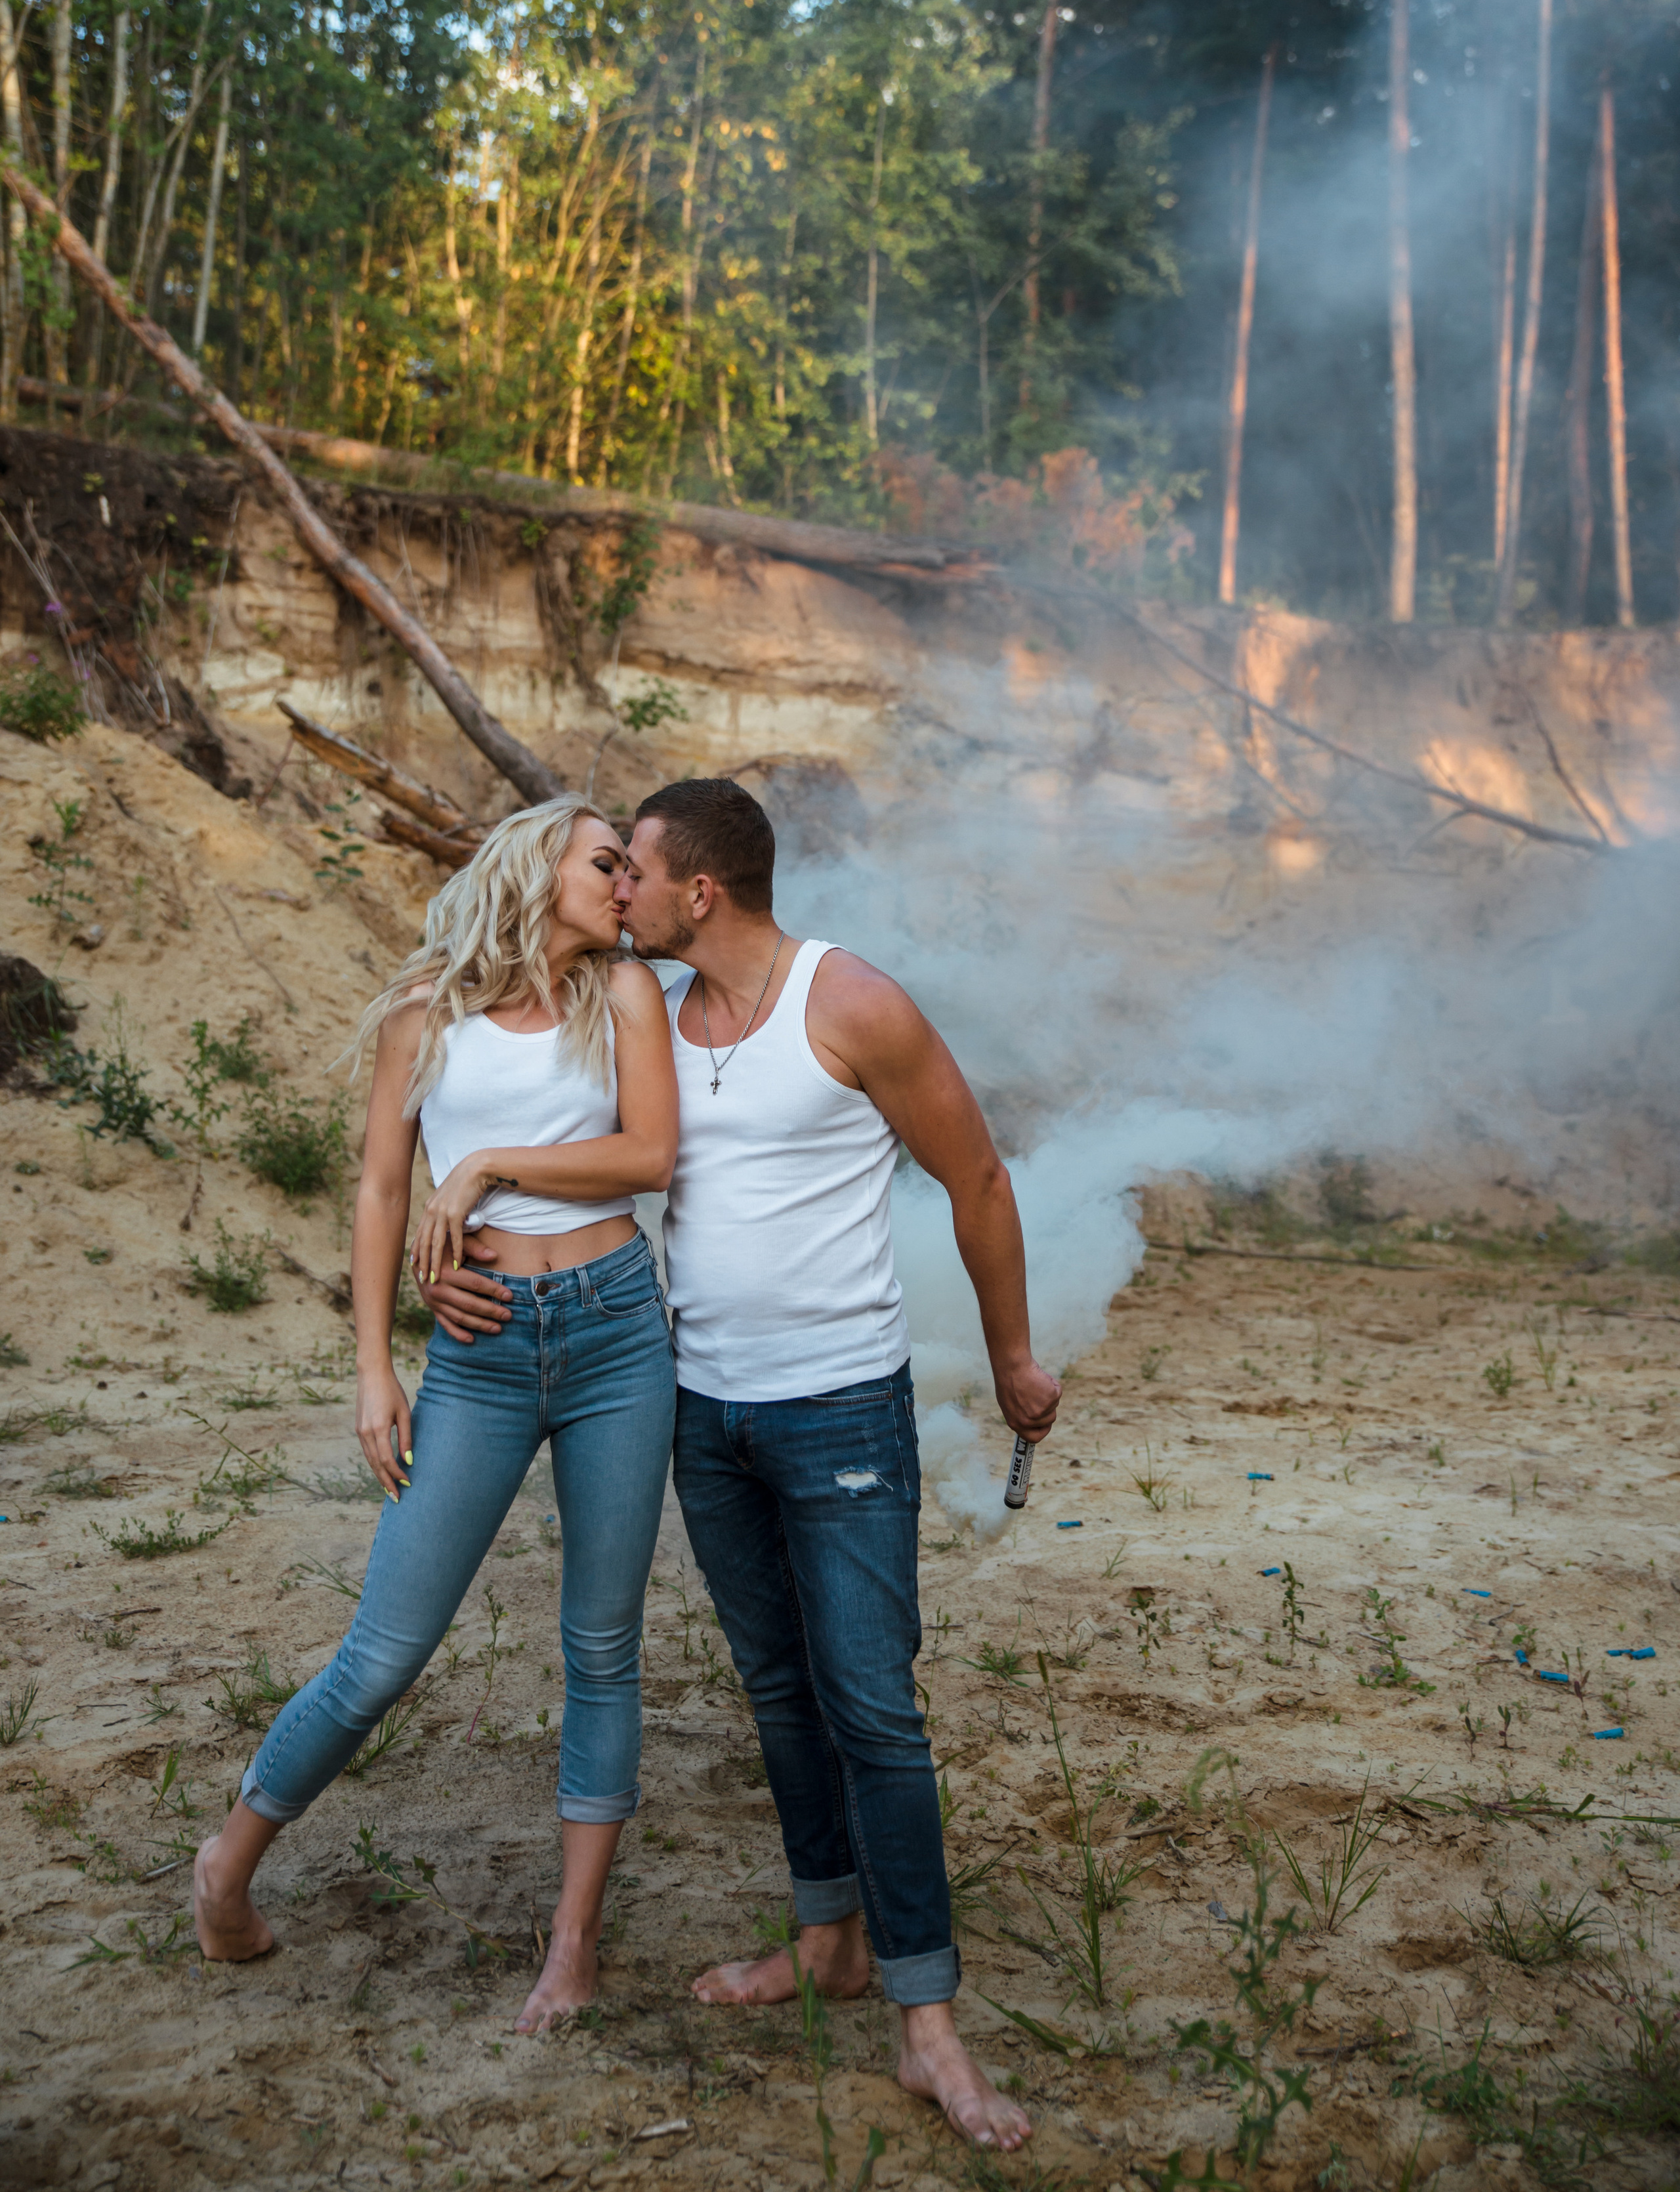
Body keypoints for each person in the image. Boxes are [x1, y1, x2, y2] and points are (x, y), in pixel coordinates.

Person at [421, 777, 1060, 2150]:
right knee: (776, 1688)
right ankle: (824, 1936)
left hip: (839, 1411)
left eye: (631, 873)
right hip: (701, 1414)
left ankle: (926, 2024)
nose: (616, 892)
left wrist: (1012, 1360)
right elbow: (539, 1147)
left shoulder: (850, 1003)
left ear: (695, 892)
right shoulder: (636, 1017)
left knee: (870, 1705)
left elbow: (978, 1181)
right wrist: (449, 1260)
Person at [192, 793, 679, 2034]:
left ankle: (571, 1943)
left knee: (603, 1646)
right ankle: (228, 1866)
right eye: (606, 862)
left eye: (631, 868)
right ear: (537, 868)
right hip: (481, 1345)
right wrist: (373, 1368)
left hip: (621, 1330)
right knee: (385, 1650)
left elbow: (648, 1157)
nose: (625, 886)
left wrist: (493, 1167)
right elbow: (377, 1188)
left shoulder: (622, 997)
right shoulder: (428, 1013)